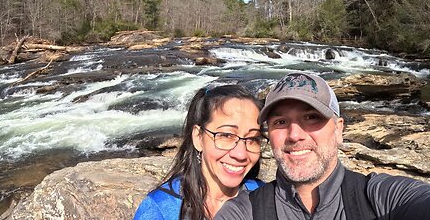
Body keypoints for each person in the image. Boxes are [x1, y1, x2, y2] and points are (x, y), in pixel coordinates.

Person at [215, 72, 430, 220]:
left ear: (338, 130)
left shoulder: (382, 198)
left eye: (311, 117)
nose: (295, 135)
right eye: (280, 122)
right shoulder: (244, 212)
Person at [133, 84, 269, 220]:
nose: (241, 154)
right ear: (198, 137)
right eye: (227, 135)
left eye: (252, 139)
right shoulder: (161, 209)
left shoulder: (266, 198)